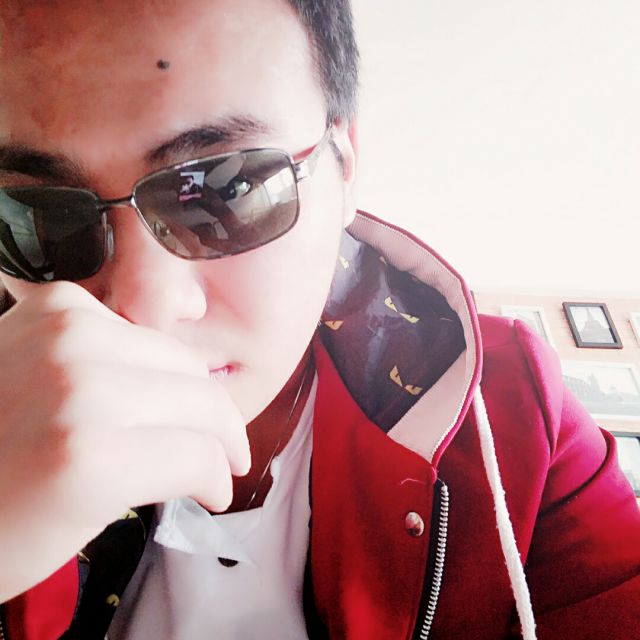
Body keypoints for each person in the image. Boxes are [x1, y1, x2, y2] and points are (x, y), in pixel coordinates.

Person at [0, 1, 637, 639]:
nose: (147, 309)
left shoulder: (512, 415)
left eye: (225, 191)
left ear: (345, 164)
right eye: (36, 214)